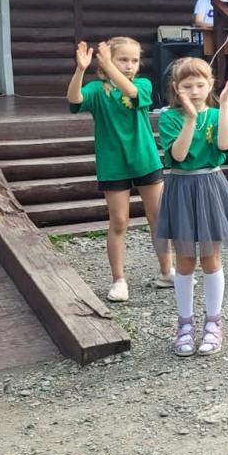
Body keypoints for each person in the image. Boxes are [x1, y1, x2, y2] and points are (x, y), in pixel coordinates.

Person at [66, 37, 173, 303]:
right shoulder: (96, 90)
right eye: (123, 60)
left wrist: (109, 66)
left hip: (146, 159)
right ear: (108, 62)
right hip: (113, 165)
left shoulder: (143, 85)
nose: (130, 65)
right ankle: (118, 280)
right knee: (119, 222)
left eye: (134, 60)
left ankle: (167, 271)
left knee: (157, 217)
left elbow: (132, 93)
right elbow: (74, 100)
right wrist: (81, 69)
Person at [155, 58, 228, 357]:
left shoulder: (217, 114)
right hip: (180, 186)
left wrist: (225, 106)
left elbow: (224, 146)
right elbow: (178, 156)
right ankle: (185, 324)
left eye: (200, 85)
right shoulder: (169, 118)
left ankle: (213, 323)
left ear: (211, 85)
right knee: (184, 258)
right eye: (187, 86)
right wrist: (191, 119)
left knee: (211, 257)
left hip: (210, 185)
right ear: (176, 88)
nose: (194, 91)